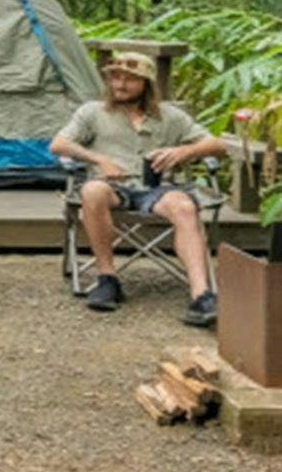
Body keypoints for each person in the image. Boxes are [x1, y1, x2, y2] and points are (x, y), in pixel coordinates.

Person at [50, 50, 231, 328]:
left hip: (158, 188)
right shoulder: (92, 112)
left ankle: (201, 295)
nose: (120, 85)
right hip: (111, 186)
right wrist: (99, 159)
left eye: (129, 80)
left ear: (146, 84)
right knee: (91, 192)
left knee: (184, 206)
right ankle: (107, 279)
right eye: (115, 78)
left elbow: (218, 146)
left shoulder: (171, 117)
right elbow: (59, 144)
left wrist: (184, 150)